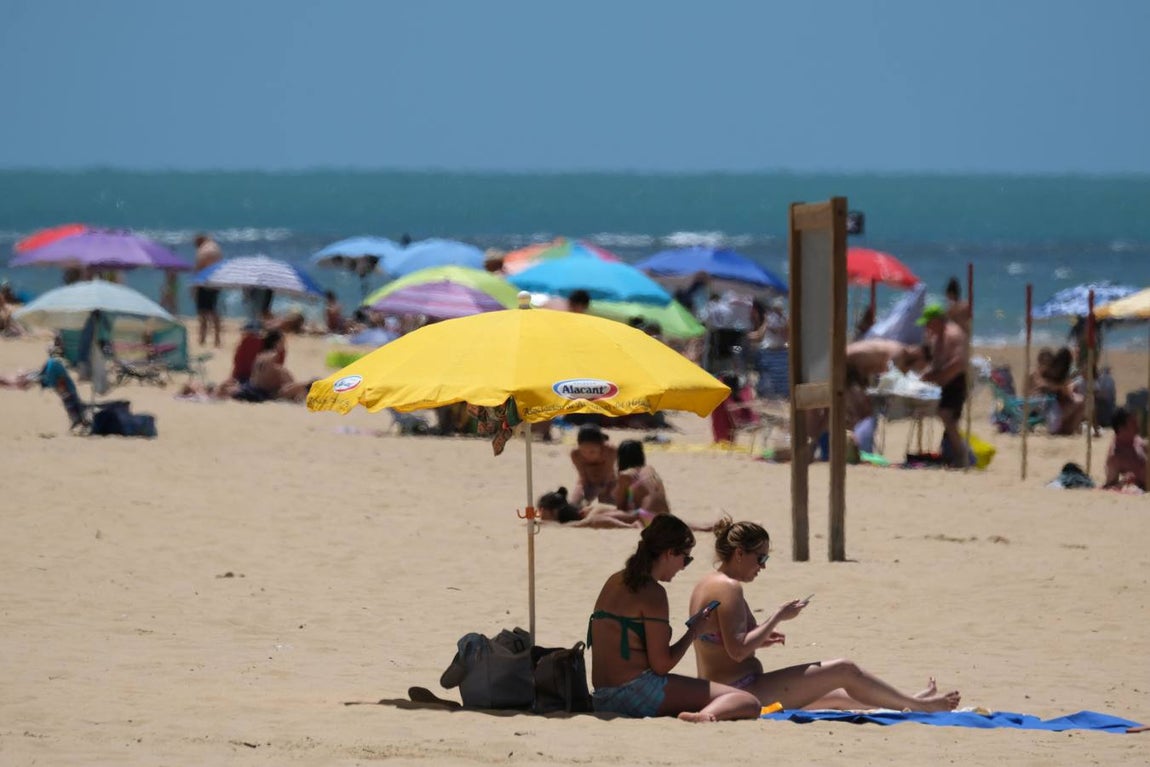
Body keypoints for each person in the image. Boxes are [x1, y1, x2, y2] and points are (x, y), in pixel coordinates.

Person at [689, 518, 961, 712]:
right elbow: (737, 651)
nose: (762, 567)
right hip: (741, 691)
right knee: (845, 669)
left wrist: (762, 638)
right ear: (739, 553)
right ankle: (921, 706)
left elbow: (725, 643)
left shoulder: (708, 582)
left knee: (839, 696)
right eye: (760, 559)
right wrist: (777, 617)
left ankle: (908, 701)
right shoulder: (729, 588)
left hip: (730, 686)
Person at [587, 515, 761, 721]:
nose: (683, 567)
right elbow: (661, 665)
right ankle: (703, 716)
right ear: (670, 553)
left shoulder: (614, 580)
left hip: (602, 695)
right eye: (685, 559)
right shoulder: (653, 593)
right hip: (634, 693)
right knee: (747, 701)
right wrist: (693, 631)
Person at [917, 304, 970, 467]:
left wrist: (939, 376)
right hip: (943, 382)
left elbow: (958, 362)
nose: (927, 327)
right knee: (945, 417)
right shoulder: (936, 336)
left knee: (947, 415)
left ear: (937, 320)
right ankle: (954, 453)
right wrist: (927, 374)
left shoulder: (953, 334)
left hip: (955, 380)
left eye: (929, 322)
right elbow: (937, 361)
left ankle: (962, 455)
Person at [234, 330, 312, 402]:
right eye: (282, 342)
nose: (284, 345)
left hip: (251, 387)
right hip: (262, 393)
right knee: (300, 387)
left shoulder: (260, 356)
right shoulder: (273, 356)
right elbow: (270, 378)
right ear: (277, 343)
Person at [615, 440, 670, 524]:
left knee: (598, 517)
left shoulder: (625, 475)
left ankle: (631, 526)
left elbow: (620, 507)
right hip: (665, 516)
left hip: (646, 516)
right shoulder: (650, 469)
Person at [569, 424, 618, 505]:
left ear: (601, 446)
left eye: (592, 451)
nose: (588, 455)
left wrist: (600, 488)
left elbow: (608, 475)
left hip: (608, 482)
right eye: (583, 451)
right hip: (587, 482)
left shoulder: (610, 451)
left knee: (609, 505)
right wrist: (588, 493)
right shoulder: (575, 454)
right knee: (574, 505)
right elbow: (583, 476)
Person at [1104, 407, 1147, 491]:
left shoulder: (1135, 440)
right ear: (1121, 428)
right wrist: (1125, 482)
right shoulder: (1116, 456)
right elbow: (1109, 486)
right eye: (1133, 423)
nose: (1137, 426)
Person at [193, 234, 223, 348]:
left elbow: (199, 268)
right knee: (214, 311)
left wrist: (194, 286)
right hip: (215, 283)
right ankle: (217, 338)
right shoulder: (216, 249)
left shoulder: (203, 250)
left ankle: (202, 337)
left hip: (204, 282)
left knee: (203, 313)